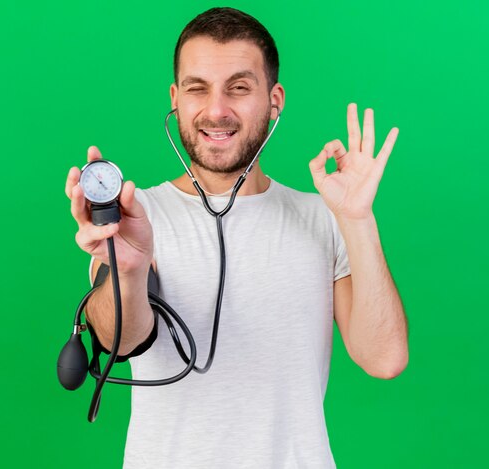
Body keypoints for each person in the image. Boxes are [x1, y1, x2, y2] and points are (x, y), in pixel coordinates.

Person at [65, 7, 408, 469]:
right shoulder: (135, 214)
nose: (216, 110)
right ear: (176, 97)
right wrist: (129, 268)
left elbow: (383, 358)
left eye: (239, 88)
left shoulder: (323, 217)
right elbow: (120, 342)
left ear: (274, 99)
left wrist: (359, 219)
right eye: (197, 89)